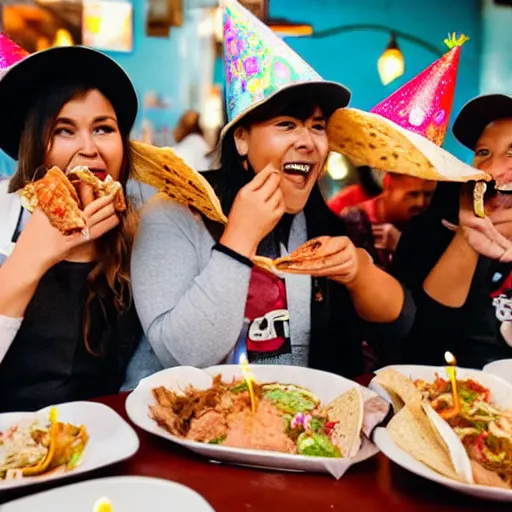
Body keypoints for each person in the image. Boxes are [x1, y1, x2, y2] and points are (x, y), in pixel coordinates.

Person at [131, 0, 414, 378]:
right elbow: (182, 358)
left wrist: (358, 271)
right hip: (178, 423)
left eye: (317, 126)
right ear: (242, 139)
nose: (308, 141)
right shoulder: (172, 213)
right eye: (286, 124)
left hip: (289, 424)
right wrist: (238, 241)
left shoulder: (319, 225)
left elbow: (402, 322)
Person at [0, 39, 144, 411]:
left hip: (108, 448)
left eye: (103, 129)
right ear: (34, 144)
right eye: (64, 130)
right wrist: (32, 257)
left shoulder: (145, 233)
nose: (89, 147)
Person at [391, 93, 512, 368]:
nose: (492, 169)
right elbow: (420, 342)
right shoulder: (436, 225)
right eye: (483, 153)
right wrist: (466, 240)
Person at [342, 173, 436, 270]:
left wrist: (401, 246)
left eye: (427, 195)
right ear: (389, 185)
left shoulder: (428, 222)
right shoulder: (355, 220)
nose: (420, 203)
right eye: (413, 194)